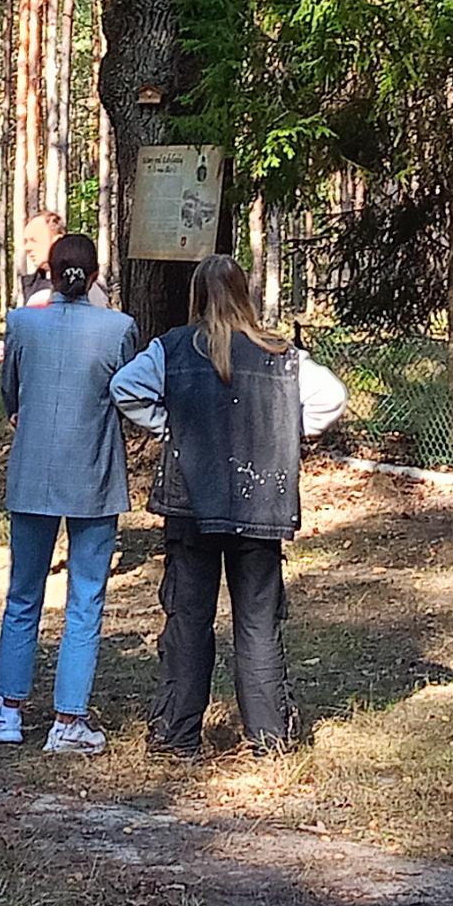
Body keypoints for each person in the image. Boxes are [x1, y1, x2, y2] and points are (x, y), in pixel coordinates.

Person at [111, 256, 349, 757]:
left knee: (188, 620)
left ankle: (177, 738)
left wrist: (168, 427)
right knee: (259, 622)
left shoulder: (172, 347)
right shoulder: (281, 354)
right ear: (245, 294)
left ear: (197, 296)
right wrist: (285, 433)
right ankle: (269, 740)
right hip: (259, 503)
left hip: (192, 504)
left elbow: (124, 389)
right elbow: (332, 398)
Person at [0, 230, 135, 755]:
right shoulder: (119, 328)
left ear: (48, 273)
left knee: (23, 593)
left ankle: (8, 710)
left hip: (33, 472)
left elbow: (11, 389)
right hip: (93, 472)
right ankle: (68, 718)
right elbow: (126, 392)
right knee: (86, 597)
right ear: (94, 276)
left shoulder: (22, 322)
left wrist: (20, 418)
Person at [0, 210, 62, 362]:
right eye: (25, 241)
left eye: (34, 240)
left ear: (57, 241)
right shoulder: (32, 285)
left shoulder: (83, 287)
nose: (27, 248)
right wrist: (9, 347)